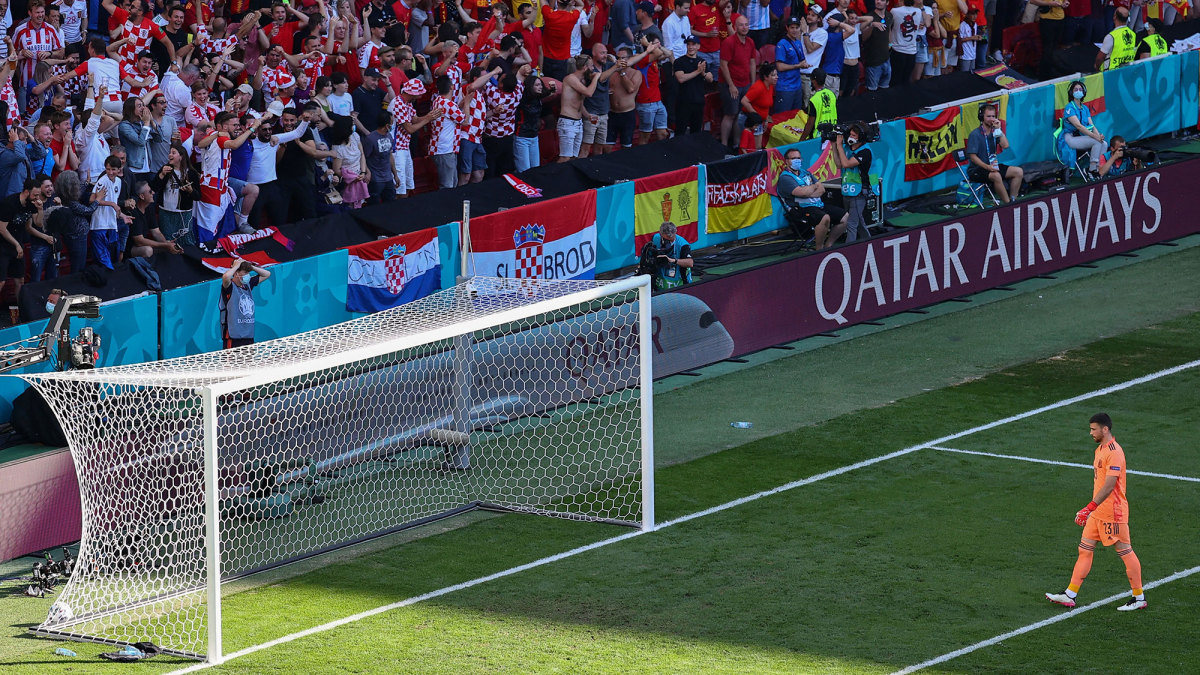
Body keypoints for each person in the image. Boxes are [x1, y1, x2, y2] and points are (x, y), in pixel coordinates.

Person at [1045, 413, 1147, 612]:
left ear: (1105, 429)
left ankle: (1138, 597)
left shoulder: (1114, 452)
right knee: (1084, 549)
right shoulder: (1099, 449)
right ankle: (1070, 594)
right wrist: (1093, 510)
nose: (1090, 432)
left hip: (1113, 513)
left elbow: (1109, 485)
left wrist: (1089, 507)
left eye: (1094, 429)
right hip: (1098, 513)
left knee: (1125, 552)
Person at [777, 147, 847, 249]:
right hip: (801, 209)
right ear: (787, 161)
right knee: (825, 218)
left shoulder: (805, 173)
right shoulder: (785, 178)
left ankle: (828, 244)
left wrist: (809, 191)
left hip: (818, 204)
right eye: (793, 158)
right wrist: (814, 186)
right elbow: (801, 193)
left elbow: (822, 189)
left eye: (799, 158)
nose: (797, 160)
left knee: (845, 217)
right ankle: (819, 248)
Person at [966, 103, 1022, 204]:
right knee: (996, 176)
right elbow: (972, 157)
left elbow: (1005, 146)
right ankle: (1008, 204)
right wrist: (987, 167)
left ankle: (1013, 199)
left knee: (1018, 171)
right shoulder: (975, 134)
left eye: (993, 116)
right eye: (988, 116)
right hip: (977, 170)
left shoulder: (995, 132)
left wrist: (998, 130)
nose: (992, 119)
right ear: (981, 117)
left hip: (992, 166)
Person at [833, 122, 875, 243]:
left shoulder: (865, 152)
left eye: (854, 135)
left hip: (859, 192)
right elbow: (839, 165)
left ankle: (849, 250)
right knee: (859, 222)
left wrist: (840, 146)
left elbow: (847, 163)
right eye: (850, 134)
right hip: (847, 191)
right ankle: (869, 242)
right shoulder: (848, 148)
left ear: (861, 137)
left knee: (851, 224)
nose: (851, 137)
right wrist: (834, 146)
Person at [1054, 79, 1106, 177]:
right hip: (1069, 138)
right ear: (1071, 93)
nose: (1078, 91)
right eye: (1076, 90)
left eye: (1080, 89)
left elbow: (1092, 125)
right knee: (1096, 141)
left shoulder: (1085, 108)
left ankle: (1099, 170)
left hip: (1079, 137)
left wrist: (1099, 135)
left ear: (1084, 92)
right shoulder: (1069, 108)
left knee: (1104, 143)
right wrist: (1096, 137)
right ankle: (1091, 170)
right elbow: (1079, 126)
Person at [719, 15, 756, 150]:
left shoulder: (750, 42)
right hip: (730, 84)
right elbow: (723, 65)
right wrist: (731, 85)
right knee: (730, 114)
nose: (744, 27)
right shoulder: (729, 42)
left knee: (740, 114)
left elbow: (752, 62)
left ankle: (736, 144)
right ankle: (723, 145)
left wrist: (752, 84)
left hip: (745, 83)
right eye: (741, 25)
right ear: (735, 26)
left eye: (746, 24)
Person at [220, 257, 272, 349]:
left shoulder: (248, 285)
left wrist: (251, 267)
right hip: (233, 337)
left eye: (248, 273)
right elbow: (226, 277)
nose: (247, 275)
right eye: (245, 272)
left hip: (248, 336)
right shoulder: (229, 287)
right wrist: (235, 266)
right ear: (236, 273)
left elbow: (267, 274)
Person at [559, 54, 598, 160]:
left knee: (574, 157)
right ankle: (554, 176)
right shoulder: (570, 79)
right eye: (591, 66)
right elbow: (589, 93)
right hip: (567, 122)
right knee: (565, 158)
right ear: (585, 67)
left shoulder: (582, 81)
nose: (593, 69)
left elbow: (578, 103)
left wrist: (587, 115)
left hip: (578, 122)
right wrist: (596, 78)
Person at [636, 221, 693, 291]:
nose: (668, 242)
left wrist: (674, 260)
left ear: (675, 232)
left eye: (671, 238)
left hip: (679, 286)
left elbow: (690, 263)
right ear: (661, 234)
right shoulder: (655, 238)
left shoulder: (683, 245)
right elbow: (648, 254)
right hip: (660, 286)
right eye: (666, 239)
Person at [674, 35, 711, 135]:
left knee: (696, 132)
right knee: (680, 131)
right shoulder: (679, 61)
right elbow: (681, 78)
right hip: (684, 103)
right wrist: (698, 71)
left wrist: (703, 73)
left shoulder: (702, 61)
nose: (690, 47)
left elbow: (710, 79)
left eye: (693, 44)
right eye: (688, 44)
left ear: (698, 46)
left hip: (698, 102)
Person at [774, 16, 807, 114]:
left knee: (795, 116)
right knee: (782, 117)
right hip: (785, 87)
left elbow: (802, 60)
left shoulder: (798, 42)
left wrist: (805, 65)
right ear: (787, 28)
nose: (795, 30)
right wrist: (797, 66)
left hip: (797, 86)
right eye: (792, 28)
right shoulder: (782, 44)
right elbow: (779, 66)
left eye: (797, 27)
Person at [860, 0, 890, 91]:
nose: (878, 2)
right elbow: (863, 38)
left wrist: (891, 44)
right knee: (872, 91)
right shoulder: (868, 17)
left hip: (887, 59)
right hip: (873, 61)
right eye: (877, 0)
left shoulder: (890, 16)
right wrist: (872, 25)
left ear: (887, 3)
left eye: (882, 0)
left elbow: (890, 31)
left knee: (884, 89)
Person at [800, 68, 836, 142]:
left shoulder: (814, 100)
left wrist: (801, 140)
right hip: (831, 133)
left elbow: (810, 123)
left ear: (814, 81)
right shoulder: (831, 94)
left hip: (817, 137)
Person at [1096, 6, 1135, 72]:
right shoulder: (1133, 34)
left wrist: (1097, 67)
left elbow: (1099, 58)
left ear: (1114, 17)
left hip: (1111, 73)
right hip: (1127, 70)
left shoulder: (1111, 36)